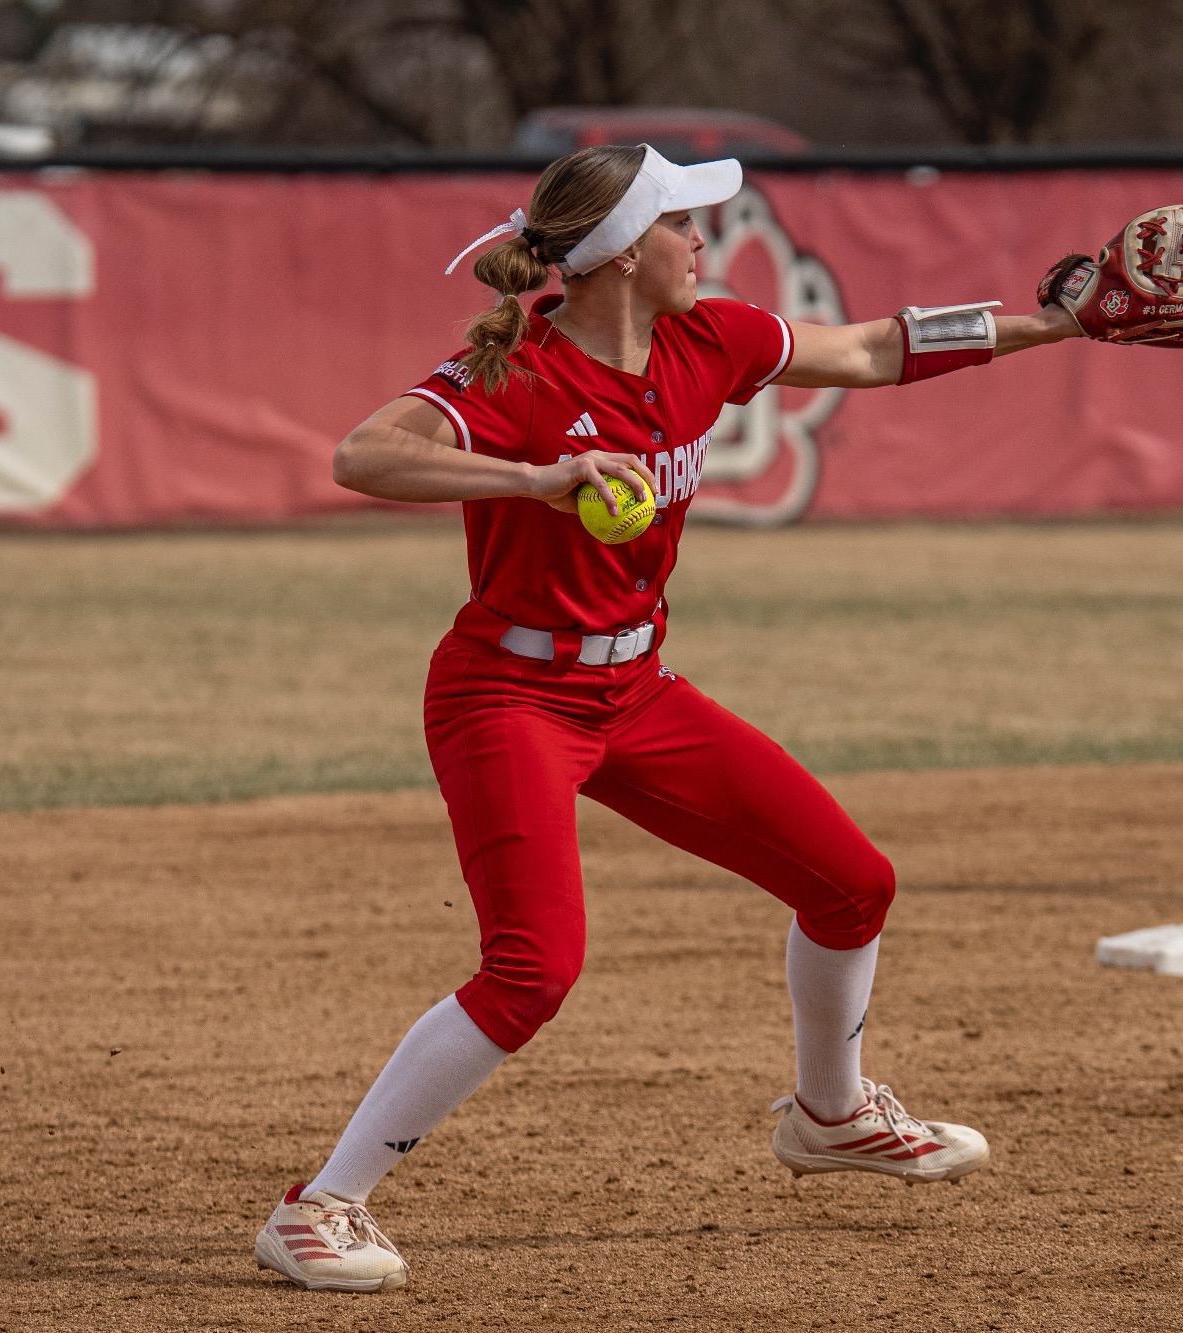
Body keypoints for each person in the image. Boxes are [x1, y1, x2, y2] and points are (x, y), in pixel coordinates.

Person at [252, 143, 1093, 1293]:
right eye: (683, 222)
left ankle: (830, 1116)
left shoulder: (713, 338)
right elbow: (364, 456)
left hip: (637, 690)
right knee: (532, 968)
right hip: (508, 693)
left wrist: (1054, 328)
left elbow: (871, 346)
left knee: (852, 884)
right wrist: (537, 477)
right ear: (619, 256)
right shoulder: (519, 377)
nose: (705, 235)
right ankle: (318, 1207)